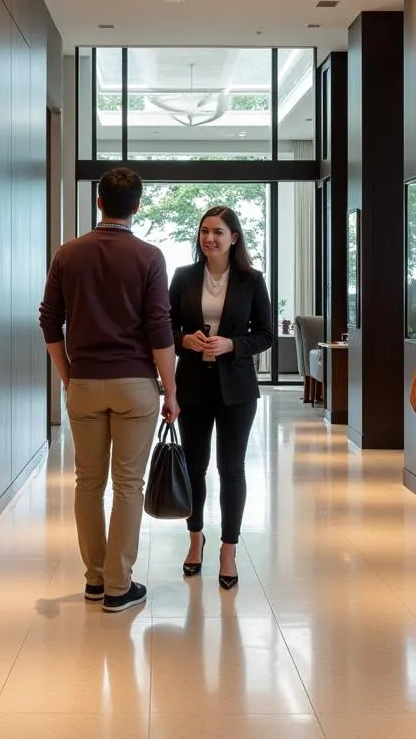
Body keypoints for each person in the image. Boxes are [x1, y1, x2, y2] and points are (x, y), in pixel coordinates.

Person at [39, 168, 179, 614]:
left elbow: (48, 319)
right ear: (136, 206)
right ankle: (120, 586)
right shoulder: (149, 257)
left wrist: (67, 373)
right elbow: (160, 330)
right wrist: (170, 391)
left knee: (87, 483)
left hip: (84, 383)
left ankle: (94, 581)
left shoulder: (68, 254)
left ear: (99, 202)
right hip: (136, 385)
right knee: (127, 485)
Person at [169, 205, 273, 589]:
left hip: (237, 390)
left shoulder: (251, 279)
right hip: (193, 386)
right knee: (194, 468)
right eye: (204, 231)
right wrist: (185, 340)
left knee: (232, 470)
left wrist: (232, 344)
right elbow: (166, 325)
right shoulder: (183, 277)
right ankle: (196, 540)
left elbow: (264, 334)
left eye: (218, 232)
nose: (209, 238)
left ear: (234, 238)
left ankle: (228, 549)